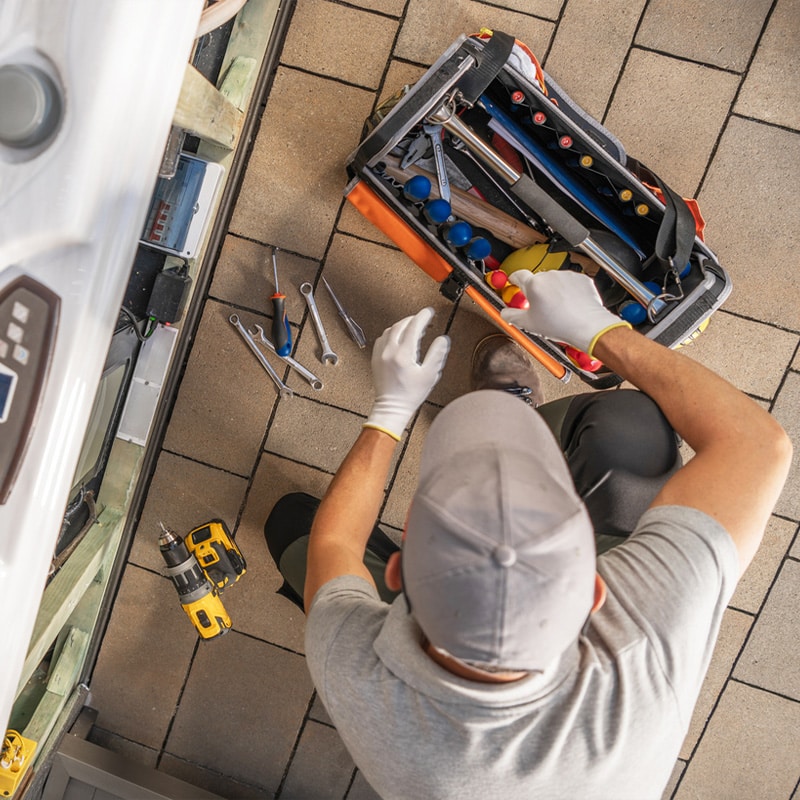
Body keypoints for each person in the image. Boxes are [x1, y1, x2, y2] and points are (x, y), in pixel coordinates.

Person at [263, 270, 791, 799]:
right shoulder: (649, 640)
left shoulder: (354, 673)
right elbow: (757, 448)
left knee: (296, 528)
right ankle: (518, 427)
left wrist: (391, 410)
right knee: (635, 429)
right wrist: (601, 332)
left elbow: (333, 547)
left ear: (400, 574)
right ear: (594, 590)